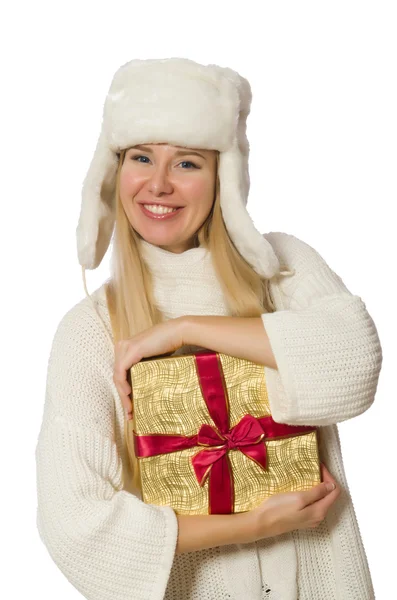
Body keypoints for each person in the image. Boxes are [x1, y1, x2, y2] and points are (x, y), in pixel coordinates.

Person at [35, 57, 383, 600]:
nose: (158, 184)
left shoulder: (282, 268)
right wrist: (260, 524)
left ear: (224, 174)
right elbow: (75, 523)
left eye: (188, 163)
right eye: (141, 157)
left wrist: (183, 332)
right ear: (113, 170)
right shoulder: (90, 332)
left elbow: (354, 365)